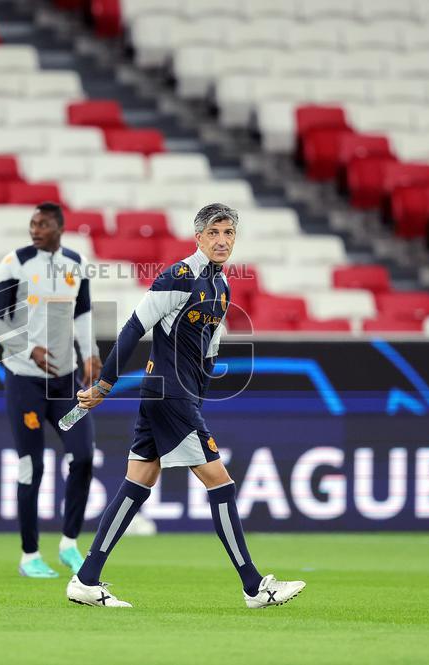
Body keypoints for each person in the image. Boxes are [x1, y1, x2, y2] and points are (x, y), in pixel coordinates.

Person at [64, 203, 306, 608]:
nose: (222, 240)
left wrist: (197, 401)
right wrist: (105, 384)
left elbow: (208, 357)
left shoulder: (222, 288)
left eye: (228, 233)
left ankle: (86, 579)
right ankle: (253, 587)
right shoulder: (179, 276)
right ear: (198, 238)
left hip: (174, 398)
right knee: (220, 482)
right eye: (213, 233)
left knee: (137, 482)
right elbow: (133, 328)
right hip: (168, 395)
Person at [0, 202, 101, 578]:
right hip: (25, 382)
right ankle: (29, 555)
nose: (35, 229)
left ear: (59, 227)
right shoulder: (15, 262)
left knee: (83, 455)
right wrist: (25, 348)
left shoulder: (75, 263)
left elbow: (81, 313)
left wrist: (91, 353)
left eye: (43, 224)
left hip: (65, 383)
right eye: (32, 223)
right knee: (30, 465)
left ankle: (69, 544)